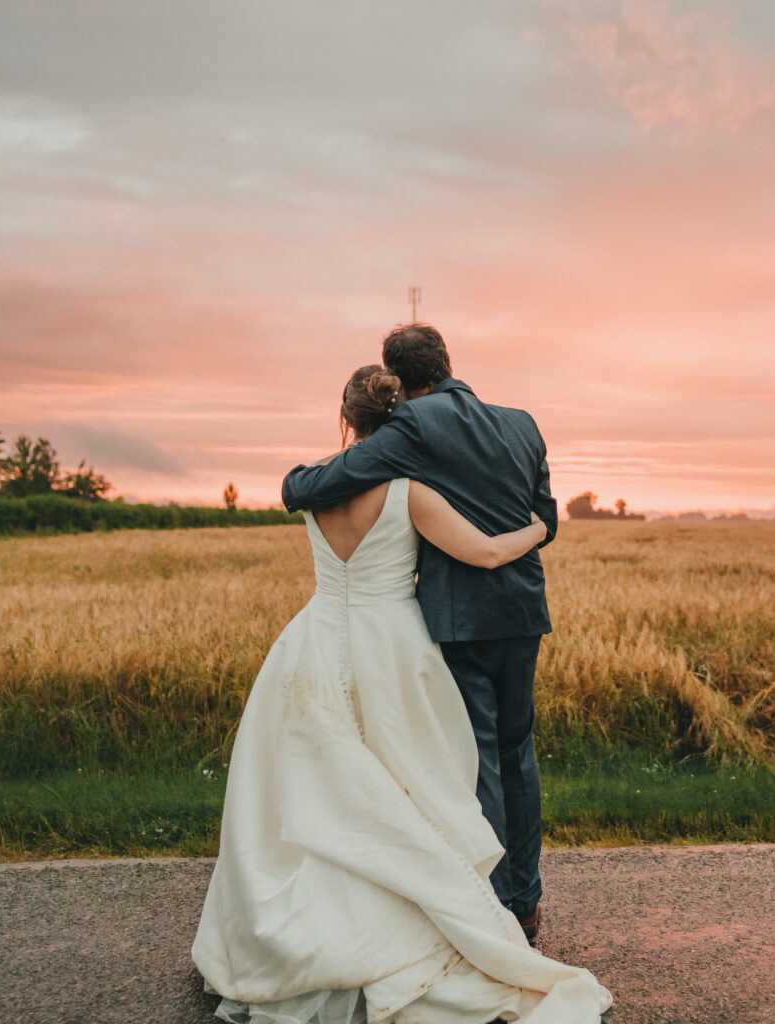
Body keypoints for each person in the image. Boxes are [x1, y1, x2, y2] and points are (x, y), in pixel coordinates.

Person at [192, 365, 611, 1024]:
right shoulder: (410, 492)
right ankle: (439, 910)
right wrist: (537, 530)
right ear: (401, 423)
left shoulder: (315, 486)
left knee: (317, 786)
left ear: (346, 418)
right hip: (394, 648)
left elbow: (299, 487)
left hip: (314, 641)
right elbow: (487, 554)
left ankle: (299, 927)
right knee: (410, 785)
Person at [281, 324, 555, 943]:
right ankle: (525, 902)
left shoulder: (412, 425)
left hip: (457, 620)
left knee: (473, 757)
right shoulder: (523, 422)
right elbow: (547, 518)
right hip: (522, 615)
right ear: (448, 362)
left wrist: (296, 480)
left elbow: (321, 485)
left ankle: (486, 912)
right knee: (517, 755)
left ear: (399, 378)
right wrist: (533, 535)